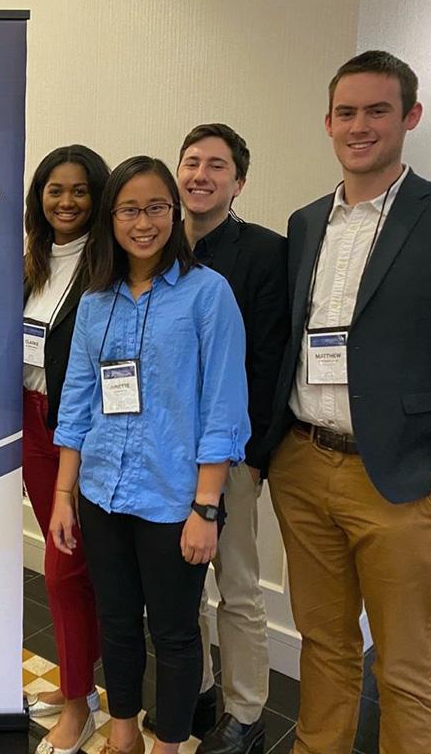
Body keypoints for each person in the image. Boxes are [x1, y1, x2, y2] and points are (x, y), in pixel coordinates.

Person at [264, 50, 431, 754]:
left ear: (409, 116)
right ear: (327, 122)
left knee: (407, 668)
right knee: (324, 644)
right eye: (346, 112)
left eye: (378, 110)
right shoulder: (307, 221)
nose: (360, 125)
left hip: (404, 484)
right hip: (306, 464)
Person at [49, 156, 249, 754]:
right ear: (111, 218)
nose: (144, 222)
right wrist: (64, 495)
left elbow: (223, 408)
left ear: (174, 211)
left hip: (174, 498)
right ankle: (123, 733)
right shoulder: (95, 302)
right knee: (116, 623)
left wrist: (206, 508)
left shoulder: (207, 295)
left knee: (175, 633)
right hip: (103, 489)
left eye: (156, 207)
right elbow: (77, 405)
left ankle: (167, 745)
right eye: (130, 209)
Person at [148, 123, 288, 754]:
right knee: (180, 583)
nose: (200, 175)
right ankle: (200, 691)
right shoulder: (152, 247)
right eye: (191, 162)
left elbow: (267, 362)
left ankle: (246, 713)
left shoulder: (262, 252)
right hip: (162, 449)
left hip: (228, 452)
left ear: (239, 182)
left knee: (236, 585)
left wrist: (253, 459)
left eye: (217, 166)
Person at [21, 144, 109, 754]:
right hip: (27, 424)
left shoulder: (106, 266)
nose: (67, 201)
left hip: (73, 431)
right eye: (55, 189)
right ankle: (76, 681)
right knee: (71, 571)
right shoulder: (31, 262)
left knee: (64, 570)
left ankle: (79, 706)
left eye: (80, 190)